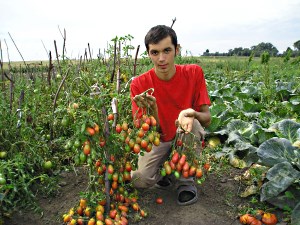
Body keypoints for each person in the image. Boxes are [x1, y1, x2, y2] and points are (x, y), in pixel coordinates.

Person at [130, 25, 211, 206]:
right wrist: (154, 113)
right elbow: (148, 134)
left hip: (185, 136)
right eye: (155, 52)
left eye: (167, 50)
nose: (161, 58)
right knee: (139, 180)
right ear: (149, 54)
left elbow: (207, 118)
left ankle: (185, 182)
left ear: (177, 49)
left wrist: (191, 113)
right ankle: (165, 171)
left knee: (195, 124)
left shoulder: (194, 73)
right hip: (160, 139)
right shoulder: (139, 85)